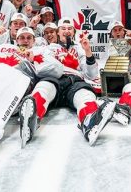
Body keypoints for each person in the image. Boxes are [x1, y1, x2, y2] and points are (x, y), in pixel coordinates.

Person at [34, 17, 116, 145]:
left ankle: (90, 122)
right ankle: (33, 116)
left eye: (70, 29)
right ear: (57, 32)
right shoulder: (48, 48)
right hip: (55, 79)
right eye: (63, 28)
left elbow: (91, 74)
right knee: (44, 87)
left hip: (75, 81)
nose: (66, 31)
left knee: (86, 95)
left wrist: (88, 51)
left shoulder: (80, 48)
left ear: (73, 32)